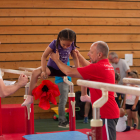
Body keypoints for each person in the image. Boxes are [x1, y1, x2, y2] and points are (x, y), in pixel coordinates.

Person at [50, 41, 119, 140]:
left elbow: (68, 71)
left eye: (91, 52)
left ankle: (84, 95)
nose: (88, 54)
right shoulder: (106, 65)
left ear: (99, 54)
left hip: (107, 113)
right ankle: (84, 95)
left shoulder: (98, 68)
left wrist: (57, 60)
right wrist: (78, 55)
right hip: (104, 112)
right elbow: (88, 66)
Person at [21, 28, 79, 106]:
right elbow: (44, 56)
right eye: (63, 44)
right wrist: (44, 71)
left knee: (83, 72)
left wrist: (77, 67)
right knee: (35, 72)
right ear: (59, 39)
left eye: (68, 45)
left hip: (63, 69)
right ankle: (29, 97)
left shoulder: (72, 45)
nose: (65, 47)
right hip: (51, 68)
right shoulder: (54, 43)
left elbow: (75, 57)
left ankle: (84, 95)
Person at [55, 59, 71, 128]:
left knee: (64, 101)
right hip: (62, 81)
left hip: (67, 81)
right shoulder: (61, 56)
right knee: (63, 102)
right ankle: (62, 121)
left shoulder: (66, 56)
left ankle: (63, 119)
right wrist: (63, 77)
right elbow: (57, 68)